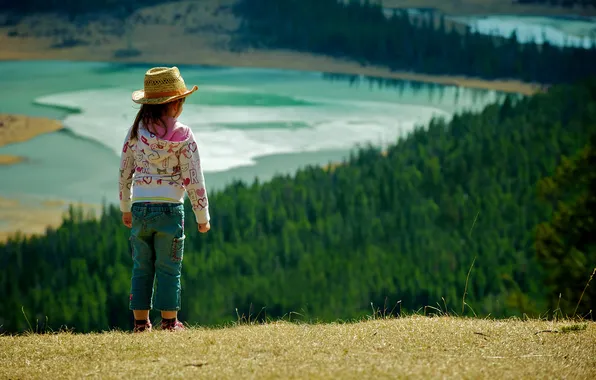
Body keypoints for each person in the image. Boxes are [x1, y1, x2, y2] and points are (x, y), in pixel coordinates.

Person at [118, 66, 210, 333]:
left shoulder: (135, 133)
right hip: (171, 210)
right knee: (170, 267)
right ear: (177, 103)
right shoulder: (184, 136)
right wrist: (202, 217)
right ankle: (169, 323)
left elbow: (124, 172)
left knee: (141, 267)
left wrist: (126, 207)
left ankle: (139, 323)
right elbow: (195, 179)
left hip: (140, 209)